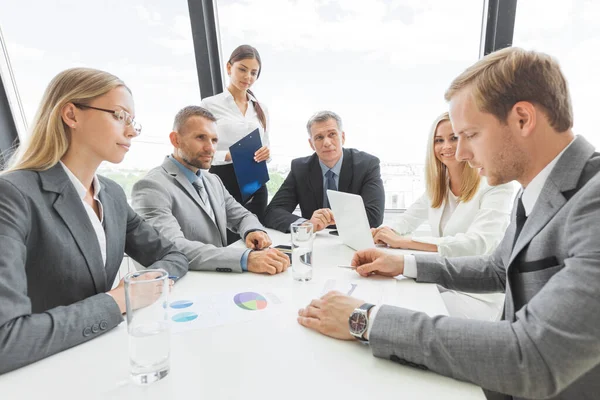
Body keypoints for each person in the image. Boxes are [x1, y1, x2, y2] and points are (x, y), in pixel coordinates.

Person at [297, 47, 600, 399]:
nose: (459, 154)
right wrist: (404, 262)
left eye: (470, 135)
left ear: (522, 119)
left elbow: (533, 357)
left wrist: (365, 319)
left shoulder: (593, 201)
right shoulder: (535, 190)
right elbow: (497, 269)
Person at [0, 68, 188, 375]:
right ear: (71, 115)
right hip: (41, 376)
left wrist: (146, 283)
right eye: (119, 116)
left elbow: (173, 255)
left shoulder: (112, 194)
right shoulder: (13, 195)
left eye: (132, 121)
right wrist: (117, 302)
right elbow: (6, 341)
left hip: (104, 361)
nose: (132, 131)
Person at [132, 106, 290, 275]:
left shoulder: (212, 180)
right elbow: (174, 246)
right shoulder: (151, 186)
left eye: (214, 140)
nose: (210, 148)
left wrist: (253, 230)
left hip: (218, 280)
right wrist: (246, 258)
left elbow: (243, 216)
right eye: (201, 138)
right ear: (175, 140)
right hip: (186, 287)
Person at [372, 112, 514, 257]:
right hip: (444, 272)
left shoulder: (496, 184)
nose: (446, 146)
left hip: (480, 276)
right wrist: (384, 231)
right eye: (439, 140)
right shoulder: (439, 186)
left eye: (454, 138)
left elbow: (478, 244)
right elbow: (408, 219)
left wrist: (404, 242)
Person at [263, 110, 385, 233]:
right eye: (319, 137)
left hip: (353, 239)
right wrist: (306, 224)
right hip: (316, 240)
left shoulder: (367, 165)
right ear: (311, 144)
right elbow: (273, 212)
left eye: (332, 134)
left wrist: (333, 218)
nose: (326, 143)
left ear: (342, 137)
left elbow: (374, 216)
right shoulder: (300, 168)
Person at [200, 44, 270, 244]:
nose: (248, 76)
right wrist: (229, 155)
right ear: (229, 67)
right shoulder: (209, 104)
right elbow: (202, 149)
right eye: (242, 69)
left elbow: (265, 144)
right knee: (228, 241)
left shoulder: (261, 109)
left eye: (253, 72)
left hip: (255, 181)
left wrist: (266, 153)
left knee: (258, 239)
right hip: (224, 180)